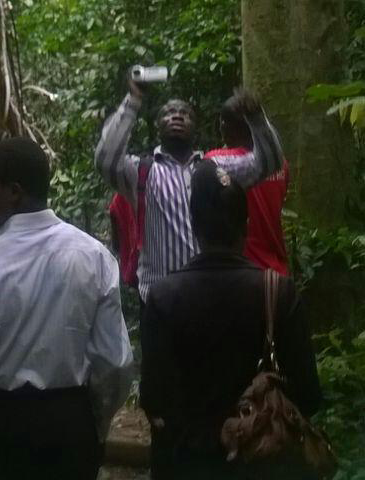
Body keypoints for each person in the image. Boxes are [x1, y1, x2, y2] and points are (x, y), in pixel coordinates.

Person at [0, 137, 134, 480]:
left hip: (3, 419)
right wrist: (96, 421)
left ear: (14, 191)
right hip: (70, 419)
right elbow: (115, 362)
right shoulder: (93, 255)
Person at [139, 160, 321, 479]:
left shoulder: (163, 295)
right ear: (246, 226)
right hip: (263, 464)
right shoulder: (277, 291)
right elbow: (308, 394)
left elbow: (155, 399)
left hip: (188, 463)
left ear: (193, 225)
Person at [95, 80, 284, 305]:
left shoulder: (215, 168)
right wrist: (133, 101)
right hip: (161, 304)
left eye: (185, 114)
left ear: (196, 127)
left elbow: (270, 162)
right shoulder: (141, 172)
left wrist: (255, 117)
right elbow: (106, 159)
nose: (177, 116)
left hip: (211, 301)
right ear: (158, 126)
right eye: (169, 113)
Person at [207, 90, 290, 274]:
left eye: (224, 121)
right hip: (277, 270)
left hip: (242, 270)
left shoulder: (217, 161)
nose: (221, 126)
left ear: (230, 127)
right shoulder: (281, 164)